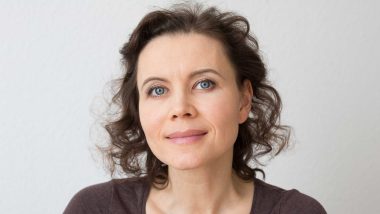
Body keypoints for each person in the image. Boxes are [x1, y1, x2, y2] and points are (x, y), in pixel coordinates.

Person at [64, 3, 326, 214]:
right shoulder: (95, 208)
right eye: (157, 89)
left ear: (244, 100)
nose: (180, 108)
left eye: (204, 84)